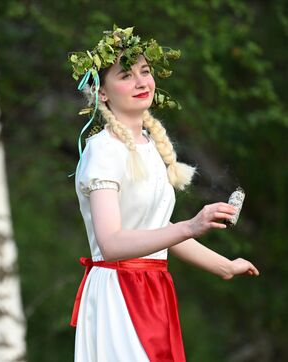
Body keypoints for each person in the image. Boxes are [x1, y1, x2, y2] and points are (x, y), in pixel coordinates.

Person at [68, 26, 259, 362]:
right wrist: (190, 225)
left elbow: (156, 228)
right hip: (119, 293)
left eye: (145, 72)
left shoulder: (148, 146)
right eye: (127, 75)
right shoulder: (103, 152)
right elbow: (111, 244)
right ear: (102, 93)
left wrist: (224, 266)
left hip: (152, 290)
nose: (142, 83)